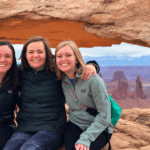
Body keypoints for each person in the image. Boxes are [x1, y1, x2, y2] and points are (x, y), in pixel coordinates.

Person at [3, 36, 99, 150]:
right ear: (25, 55)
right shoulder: (19, 71)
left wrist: (92, 65)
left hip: (52, 127)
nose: (35, 56)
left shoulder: (57, 69)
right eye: (31, 52)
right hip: (24, 127)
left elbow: (75, 65)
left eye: (40, 52)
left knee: (30, 148)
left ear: (47, 54)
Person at [55, 40, 113, 150]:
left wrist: (86, 137)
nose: (63, 59)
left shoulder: (92, 79)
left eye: (68, 55)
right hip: (75, 123)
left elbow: (105, 115)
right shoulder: (62, 80)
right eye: (59, 56)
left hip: (99, 126)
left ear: (76, 58)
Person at [0, 41, 19, 150]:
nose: (3, 60)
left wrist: (80, 69)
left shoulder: (17, 77)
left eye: (7, 56)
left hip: (4, 126)